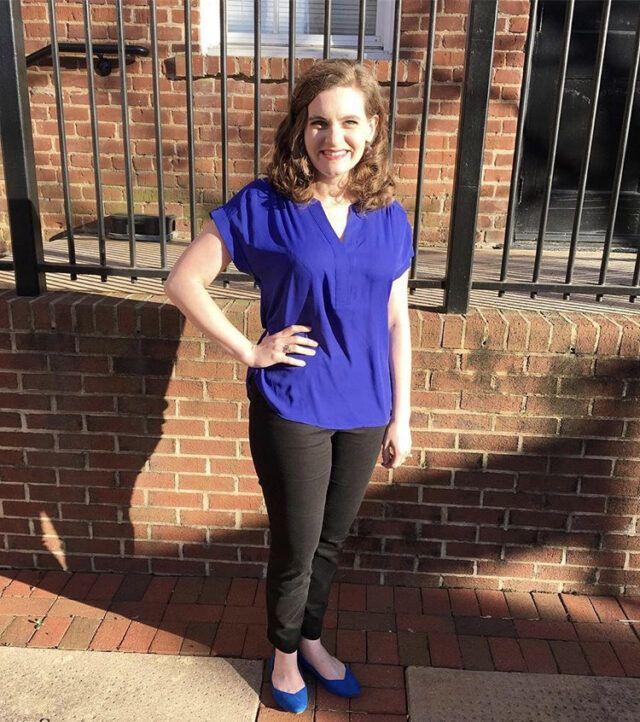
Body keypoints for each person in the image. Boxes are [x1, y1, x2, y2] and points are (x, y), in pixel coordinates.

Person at [164, 59, 413, 715]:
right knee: (297, 547)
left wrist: (402, 416)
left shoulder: (388, 212)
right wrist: (251, 348)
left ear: (373, 127)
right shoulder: (265, 204)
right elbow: (183, 280)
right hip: (294, 404)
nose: (335, 138)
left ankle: (311, 639)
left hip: (366, 407)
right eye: (320, 123)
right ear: (301, 129)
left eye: (350, 122)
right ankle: (282, 655)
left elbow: (397, 319)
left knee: (331, 542)